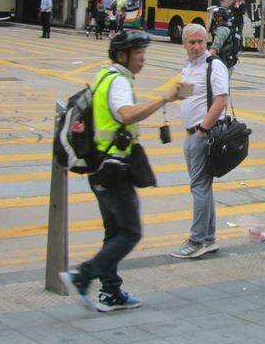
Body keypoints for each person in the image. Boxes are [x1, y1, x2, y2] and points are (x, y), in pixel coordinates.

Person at [60, 30, 185, 311]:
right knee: (130, 232)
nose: (143, 58)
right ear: (121, 55)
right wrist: (164, 99)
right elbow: (127, 114)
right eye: (138, 53)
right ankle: (81, 276)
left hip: (99, 166)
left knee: (114, 231)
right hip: (113, 168)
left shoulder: (104, 76)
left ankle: (111, 292)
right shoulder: (118, 82)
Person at [171, 23, 229, 260]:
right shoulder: (189, 66)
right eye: (191, 42)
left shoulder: (214, 65)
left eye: (200, 42)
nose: (196, 47)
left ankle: (196, 241)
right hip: (192, 134)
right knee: (204, 187)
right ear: (183, 43)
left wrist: (202, 130)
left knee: (199, 188)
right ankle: (208, 239)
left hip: (204, 135)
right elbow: (189, 96)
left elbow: (221, 100)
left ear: (206, 42)